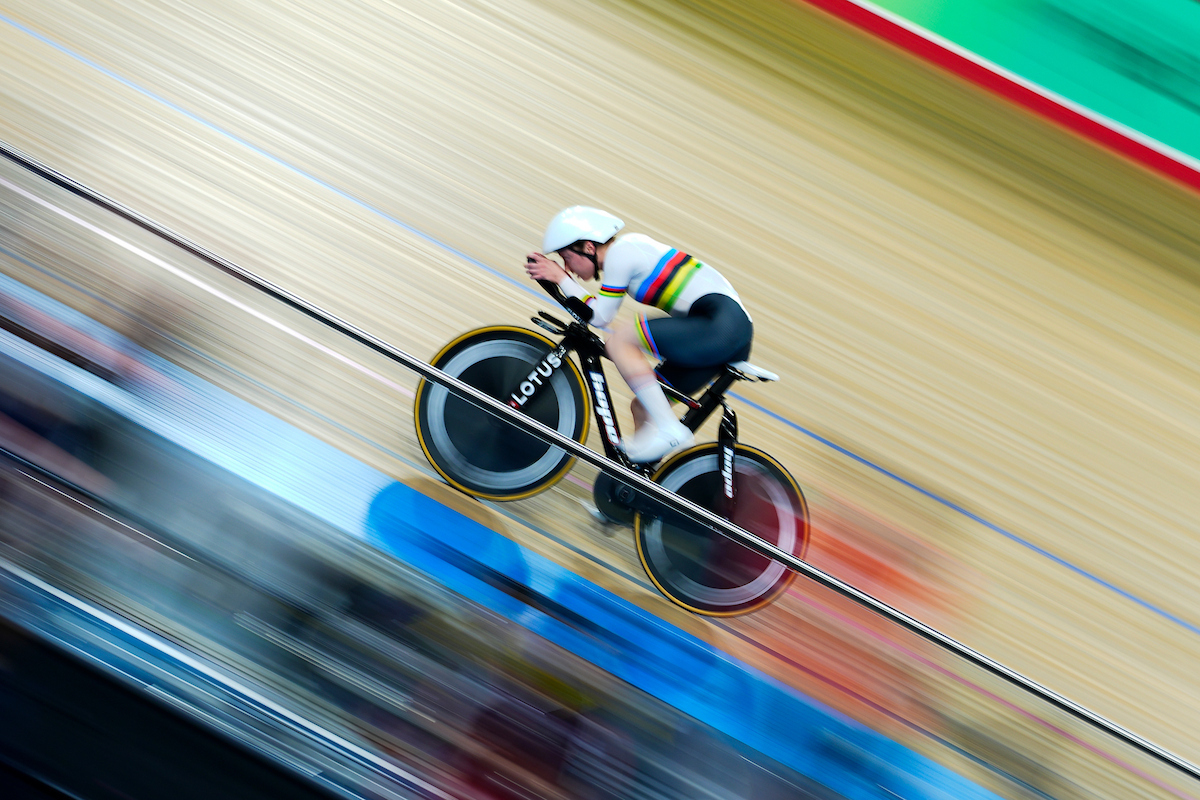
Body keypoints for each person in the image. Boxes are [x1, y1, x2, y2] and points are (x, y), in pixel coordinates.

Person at [525, 206, 753, 463]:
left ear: (588, 247)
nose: (567, 266)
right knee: (643, 406)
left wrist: (562, 278)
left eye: (567, 258)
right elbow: (595, 311)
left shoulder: (622, 252)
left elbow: (600, 317)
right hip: (726, 330)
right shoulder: (628, 251)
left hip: (721, 327)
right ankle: (638, 485)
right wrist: (564, 279)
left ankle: (671, 429)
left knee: (621, 340)